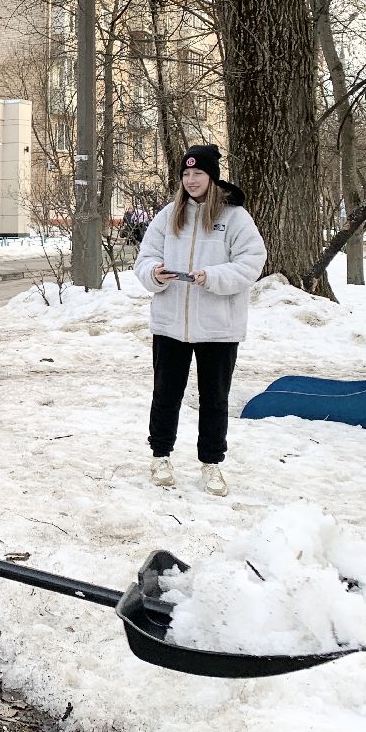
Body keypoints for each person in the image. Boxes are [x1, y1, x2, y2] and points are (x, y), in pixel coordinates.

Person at [133, 144, 266, 497]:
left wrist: (212, 276)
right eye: (186, 174)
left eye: (198, 174)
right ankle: (160, 456)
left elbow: (252, 261)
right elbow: (144, 258)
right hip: (170, 323)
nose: (191, 180)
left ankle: (211, 464)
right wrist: (154, 274)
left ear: (212, 177)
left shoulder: (234, 217)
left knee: (214, 398)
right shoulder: (168, 216)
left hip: (218, 327)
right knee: (166, 394)